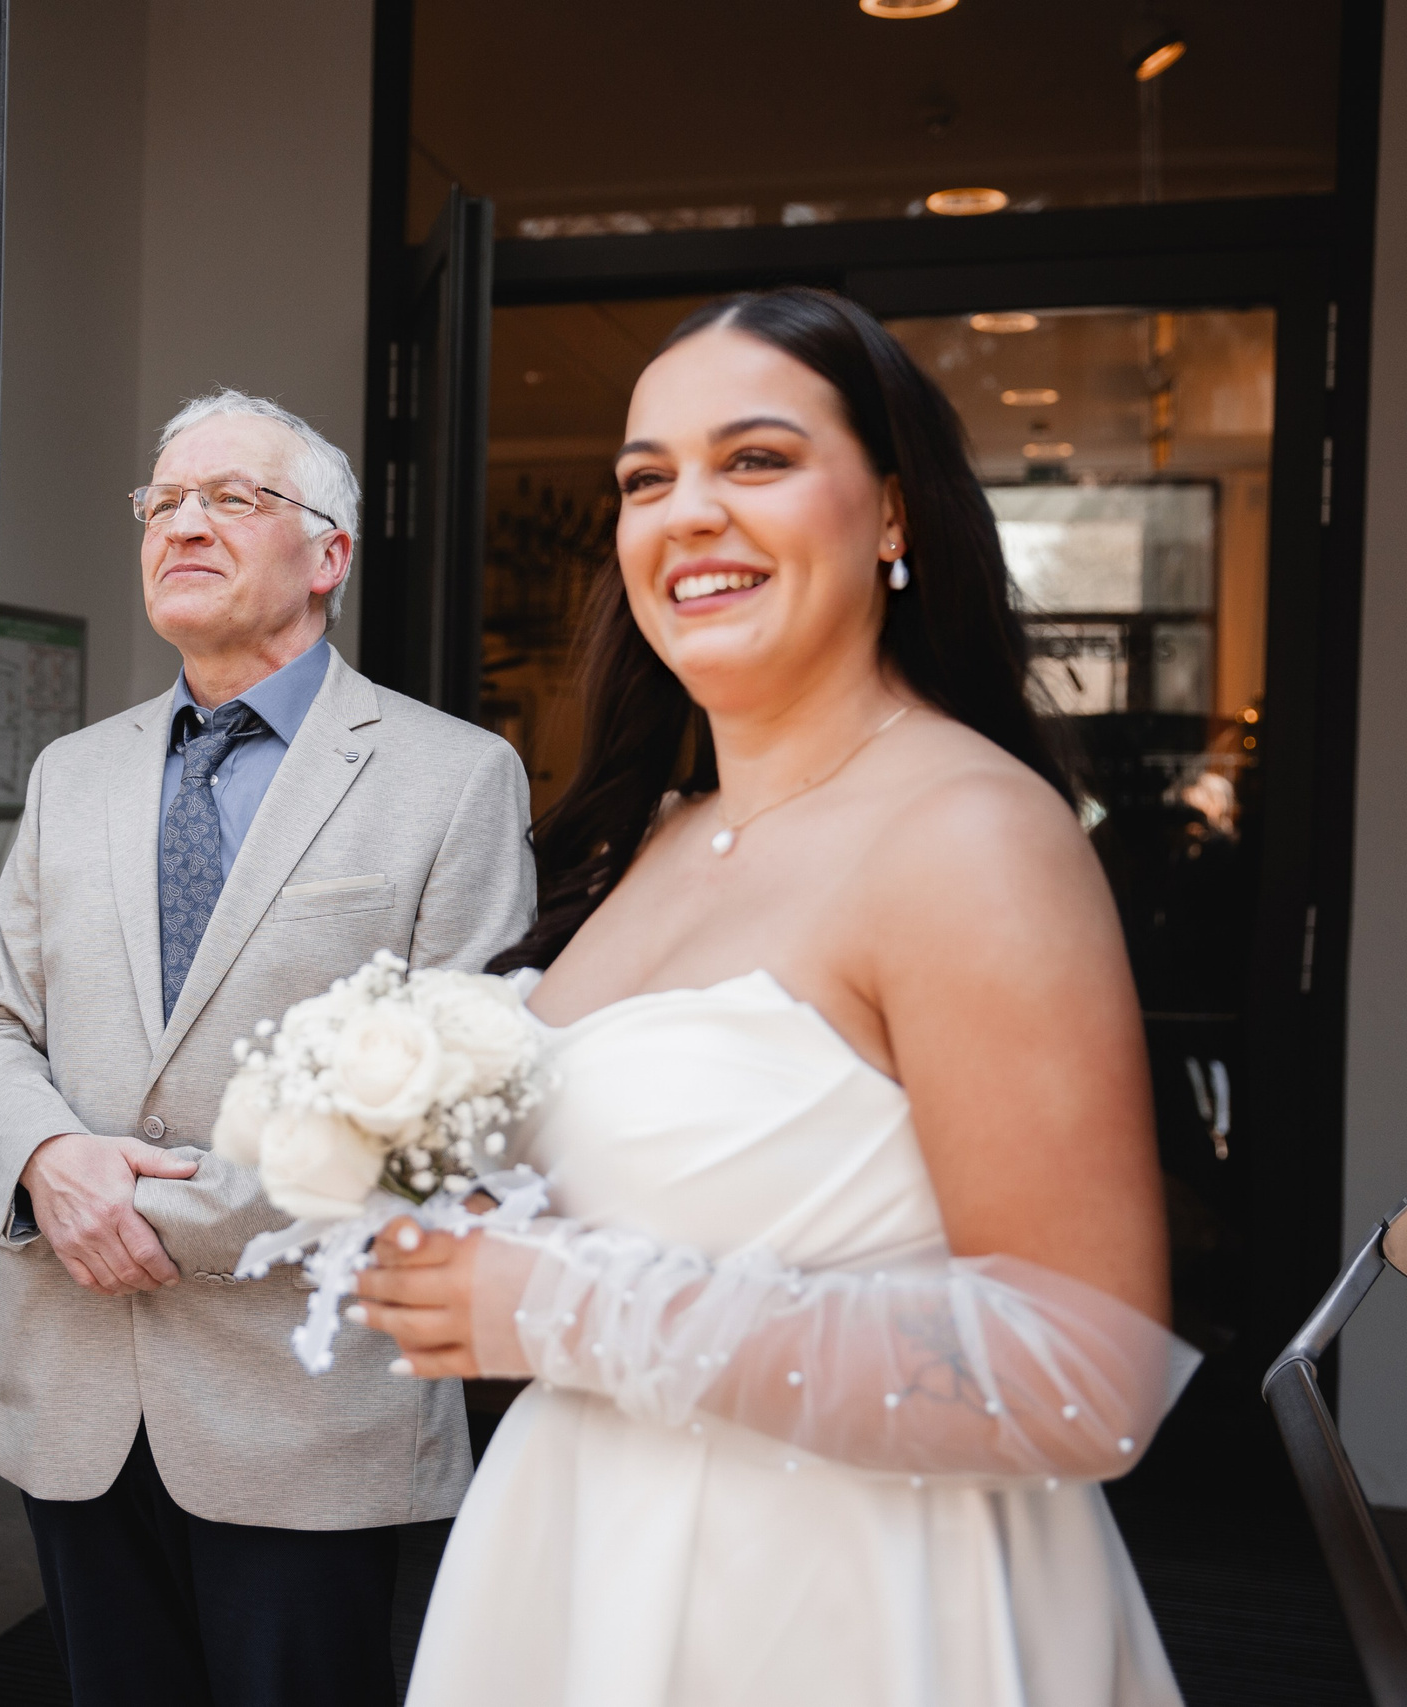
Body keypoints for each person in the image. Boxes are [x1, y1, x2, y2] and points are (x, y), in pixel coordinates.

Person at [351, 290, 1199, 1706]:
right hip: (580, 1566)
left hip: (842, 1605)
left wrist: (564, 1308)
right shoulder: (657, 838)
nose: (685, 511)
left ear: (892, 515)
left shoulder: (968, 837)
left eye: (755, 460)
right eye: (645, 478)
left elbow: (1084, 1376)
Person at [0, 390, 534, 1707]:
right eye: (164, 503)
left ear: (327, 554)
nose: (184, 524)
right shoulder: (76, 775)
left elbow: (450, 1111)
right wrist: (46, 1157)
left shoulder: (454, 779)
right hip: (76, 1391)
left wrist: (148, 1209)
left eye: (233, 498)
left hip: (310, 1408)